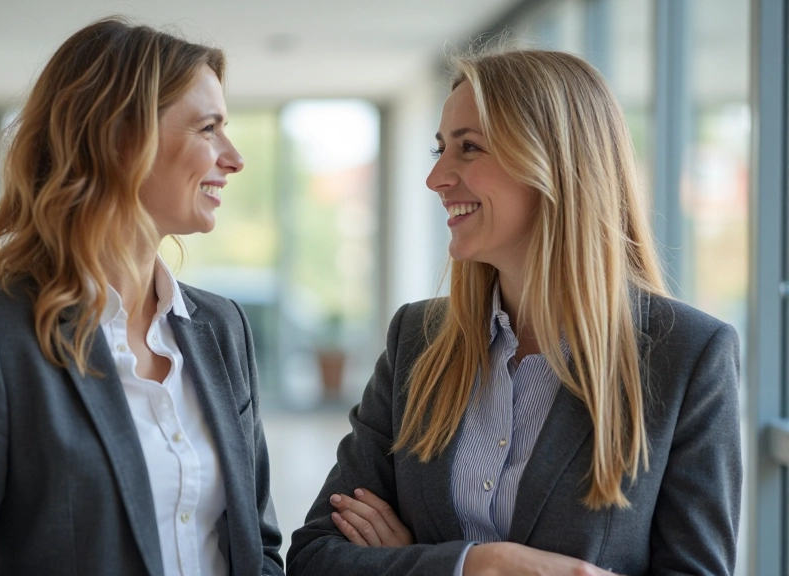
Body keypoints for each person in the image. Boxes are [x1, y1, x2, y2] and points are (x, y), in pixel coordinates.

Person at [287, 49, 741, 576]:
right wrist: (475, 565)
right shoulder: (416, 339)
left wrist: (401, 560)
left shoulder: (688, 356)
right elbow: (315, 556)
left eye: (469, 147)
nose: (436, 177)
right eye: (439, 148)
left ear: (555, 163)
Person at [0, 17, 284, 576]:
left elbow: (259, 548)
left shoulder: (222, 328)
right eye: (208, 128)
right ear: (121, 139)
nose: (234, 158)